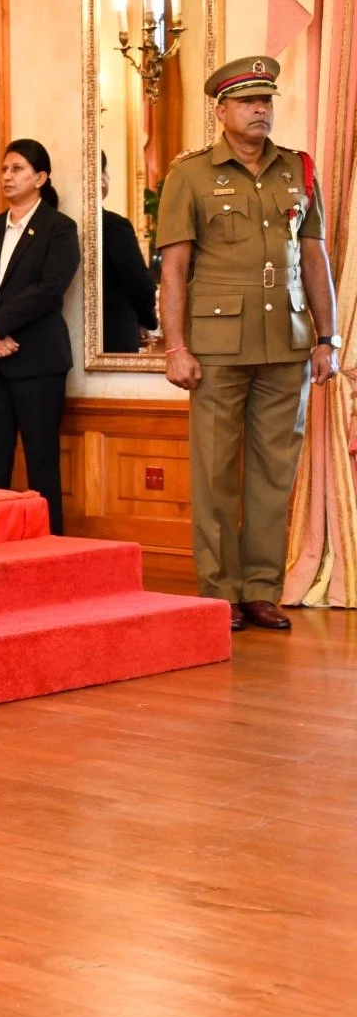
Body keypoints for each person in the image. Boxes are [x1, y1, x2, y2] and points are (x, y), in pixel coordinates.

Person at [155, 56, 339, 632]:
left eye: (266, 100)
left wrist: (327, 337)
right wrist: (176, 347)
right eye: (248, 101)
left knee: (274, 472)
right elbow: (174, 269)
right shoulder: (190, 174)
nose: (261, 110)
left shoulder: (298, 170)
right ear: (222, 111)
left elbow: (314, 258)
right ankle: (220, 591)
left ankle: (261, 589)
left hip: (287, 343)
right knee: (215, 473)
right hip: (217, 347)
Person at [0, 138, 81, 535]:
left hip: (38, 362)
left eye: (18, 169)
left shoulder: (59, 229)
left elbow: (49, 289)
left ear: (40, 178)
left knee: (42, 460)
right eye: (5, 169)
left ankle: (49, 546)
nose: (8, 177)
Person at [100, 151, 158, 353]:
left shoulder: (54, 225)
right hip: (114, 334)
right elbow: (138, 282)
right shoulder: (114, 226)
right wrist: (147, 320)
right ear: (101, 179)